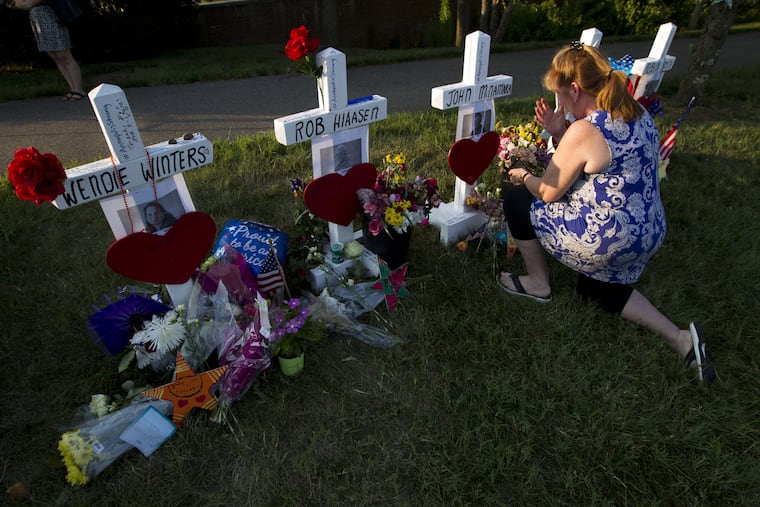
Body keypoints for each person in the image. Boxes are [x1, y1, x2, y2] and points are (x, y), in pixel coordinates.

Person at [498, 41, 716, 384]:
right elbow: (594, 163)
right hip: (646, 232)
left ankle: (538, 283)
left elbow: (549, 191)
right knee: (593, 289)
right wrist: (559, 133)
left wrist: (522, 175)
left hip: (608, 239)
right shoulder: (636, 112)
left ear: (574, 89)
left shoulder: (587, 129)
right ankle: (681, 339)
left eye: (561, 97)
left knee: (518, 200)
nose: (561, 105)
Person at [18, 0, 85, 101]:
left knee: (65, 55)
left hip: (50, 16)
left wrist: (29, 3)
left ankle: (78, 89)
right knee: (55, 57)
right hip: (37, 19)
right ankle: (72, 88)